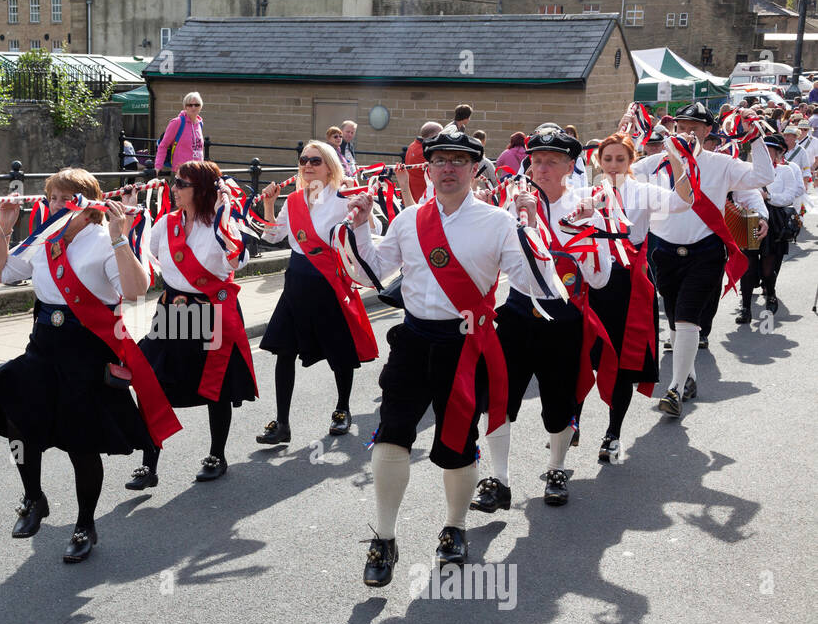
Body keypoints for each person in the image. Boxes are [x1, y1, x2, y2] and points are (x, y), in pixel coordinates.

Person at [343, 130, 555, 580]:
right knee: (391, 435)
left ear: (476, 169)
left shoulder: (498, 222)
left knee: (458, 446)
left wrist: (531, 228)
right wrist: (361, 225)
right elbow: (371, 273)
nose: (448, 168)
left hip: (466, 346)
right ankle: (383, 538)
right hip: (414, 340)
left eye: (460, 160)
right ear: (428, 167)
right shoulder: (408, 218)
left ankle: (455, 526)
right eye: (439, 160)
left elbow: (538, 286)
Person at [0, 168, 179, 563]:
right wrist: (5, 228)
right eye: (53, 197)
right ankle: (34, 498)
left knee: (82, 443)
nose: (57, 205)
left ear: (87, 201)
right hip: (43, 347)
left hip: (87, 351)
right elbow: (1, 274)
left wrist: (119, 236)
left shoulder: (103, 239)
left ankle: (85, 524)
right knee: (18, 422)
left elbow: (135, 290)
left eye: (66, 198)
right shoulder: (44, 237)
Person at [471, 130, 612, 512]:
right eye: (536, 160)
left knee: (558, 403)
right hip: (517, 312)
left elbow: (600, 278)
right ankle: (499, 479)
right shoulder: (506, 207)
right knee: (498, 399)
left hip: (564, 318)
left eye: (553, 161)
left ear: (571, 166)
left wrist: (569, 228)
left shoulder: (587, 209)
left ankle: (556, 468)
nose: (542, 168)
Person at [630, 102, 774, 418]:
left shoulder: (721, 164)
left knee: (687, 317)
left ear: (708, 131)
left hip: (705, 252)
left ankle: (675, 389)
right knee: (675, 318)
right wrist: (627, 132)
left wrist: (755, 138)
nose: (687, 133)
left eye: (694, 128)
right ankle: (689, 377)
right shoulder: (654, 163)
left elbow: (763, 175)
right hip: (665, 252)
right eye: (681, 127)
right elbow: (617, 178)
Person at [124, 160, 257, 489]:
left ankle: (217, 455)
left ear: (201, 189)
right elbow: (150, 258)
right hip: (172, 312)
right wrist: (126, 222)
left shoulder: (221, 225)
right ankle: (149, 463)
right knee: (150, 382)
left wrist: (228, 220)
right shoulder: (165, 224)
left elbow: (238, 261)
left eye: (182, 183)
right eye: (174, 182)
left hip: (210, 311)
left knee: (216, 388)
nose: (174, 188)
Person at [254, 140, 379, 444]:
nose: (308, 166)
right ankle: (282, 422)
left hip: (329, 283)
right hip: (296, 283)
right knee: (284, 351)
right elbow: (273, 236)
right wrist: (270, 204)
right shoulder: (295, 200)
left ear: (330, 166)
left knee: (339, 352)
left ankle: (342, 409)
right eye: (304, 160)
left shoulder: (343, 200)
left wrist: (363, 212)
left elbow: (371, 231)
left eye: (315, 161)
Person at [588, 133, 693, 463]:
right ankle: (569, 424)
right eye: (608, 159)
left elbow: (683, 201)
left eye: (621, 159)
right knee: (579, 360)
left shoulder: (643, 191)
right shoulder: (585, 194)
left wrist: (677, 159)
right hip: (591, 284)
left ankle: (613, 433)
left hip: (628, 285)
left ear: (631, 161)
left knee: (622, 362)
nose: (614, 165)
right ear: (599, 162)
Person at [739, 133, 804, 321]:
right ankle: (745, 308)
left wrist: (768, 198)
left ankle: (771, 293)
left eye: (768, 150)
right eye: (761, 151)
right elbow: (738, 193)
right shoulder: (747, 170)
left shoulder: (786, 171)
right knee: (748, 267)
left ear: (777, 153)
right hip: (750, 219)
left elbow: (789, 197)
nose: (765, 154)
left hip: (775, 222)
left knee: (768, 268)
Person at [154, 92, 205, 178]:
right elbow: (163, 145)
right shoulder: (177, 122)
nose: (193, 107)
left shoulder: (199, 124)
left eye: (197, 105)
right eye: (190, 105)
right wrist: (158, 166)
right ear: (185, 107)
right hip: (181, 173)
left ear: (200, 107)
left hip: (197, 172)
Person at [405, 121, 443, 198]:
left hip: (414, 193)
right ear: (433, 135)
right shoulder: (425, 152)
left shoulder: (412, 146)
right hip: (422, 196)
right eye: (440, 135)